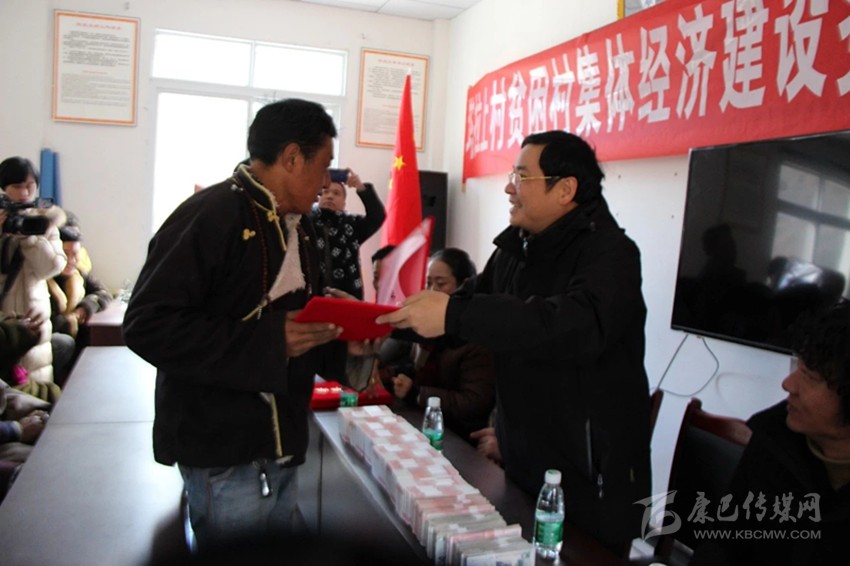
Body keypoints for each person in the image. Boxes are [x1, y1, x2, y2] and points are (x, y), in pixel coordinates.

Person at [122, 98, 377, 552]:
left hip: (283, 442)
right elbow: (147, 324)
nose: (326, 181)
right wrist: (270, 340)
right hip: (222, 448)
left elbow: (296, 331)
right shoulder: (210, 214)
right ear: (292, 157)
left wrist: (344, 342)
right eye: (323, 166)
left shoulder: (301, 227)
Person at [377, 130, 651, 550]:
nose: (509, 188)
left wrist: (454, 313)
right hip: (523, 459)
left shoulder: (611, 254)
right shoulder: (515, 251)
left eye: (522, 177)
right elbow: (460, 312)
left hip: (588, 475)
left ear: (565, 190)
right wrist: (376, 321)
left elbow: (566, 326)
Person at [691, 301, 850, 565]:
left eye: (810, 377)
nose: (788, 384)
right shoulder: (773, 440)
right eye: (797, 368)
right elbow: (723, 543)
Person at [385, 248, 496, 441]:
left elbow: (474, 403)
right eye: (428, 283)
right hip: (424, 421)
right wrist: (394, 376)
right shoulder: (430, 329)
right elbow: (419, 371)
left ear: (464, 286)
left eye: (441, 283)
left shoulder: (477, 339)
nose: (432, 291)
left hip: (460, 436)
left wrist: (417, 394)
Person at [0, 157, 67, 399]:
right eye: (17, 186)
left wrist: (30, 237)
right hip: (3, 321)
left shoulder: (44, 221)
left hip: (34, 315)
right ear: (4, 187)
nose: (24, 193)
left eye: (30, 185)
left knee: (36, 390)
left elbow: (52, 267)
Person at [48, 224, 112, 386]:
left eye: (75, 254)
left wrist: (83, 309)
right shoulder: (43, 280)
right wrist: (68, 320)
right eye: (65, 254)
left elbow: (103, 293)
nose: (71, 260)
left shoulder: (78, 275)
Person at [311, 170, 385, 300]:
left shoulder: (352, 225)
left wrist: (361, 188)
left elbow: (377, 217)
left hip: (346, 295)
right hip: (311, 296)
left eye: (336, 193)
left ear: (344, 203)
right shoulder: (305, 221)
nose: (330, 196)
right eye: (325, 192)